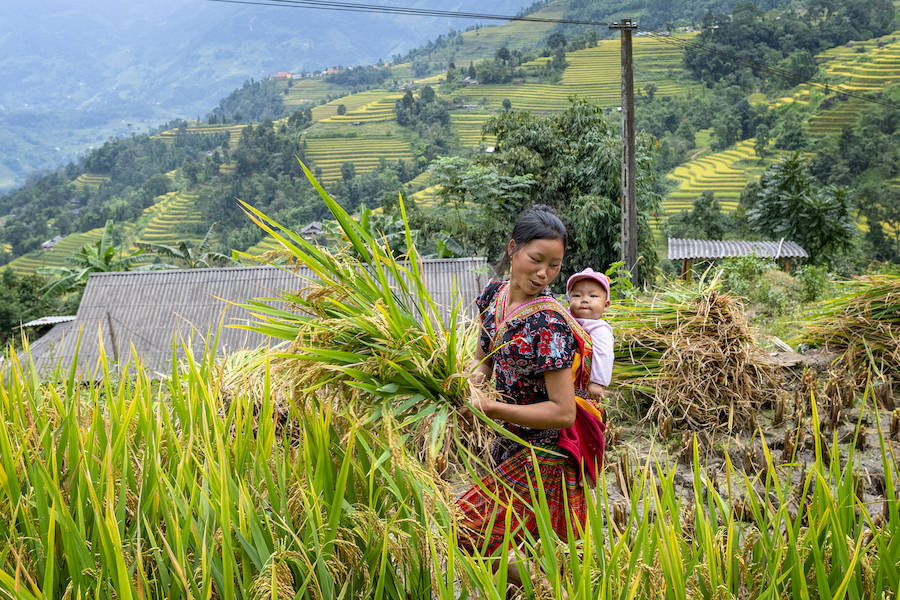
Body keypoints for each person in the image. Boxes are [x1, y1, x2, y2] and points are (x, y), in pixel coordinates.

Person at [456, 204, 585, 578]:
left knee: (465, 530)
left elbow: (563, 411)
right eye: (536, 259)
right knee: (515, 545)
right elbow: (484, 364)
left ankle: (542, 589)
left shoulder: (548, 325)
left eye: (555, 265)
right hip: (507, 445)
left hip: (541, 454)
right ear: (513, 249)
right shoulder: (491, 298)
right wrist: (460, 388)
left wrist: (491, 409)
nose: (544, 273)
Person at [566, 268, 614, 402]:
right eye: (577, 295)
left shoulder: (599, 328)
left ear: (606, 305)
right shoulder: (565, 319)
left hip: (582, 388)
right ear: (569, 303)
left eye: (593, 296)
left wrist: (598, 382)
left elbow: (604, 353)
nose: (584, 300)